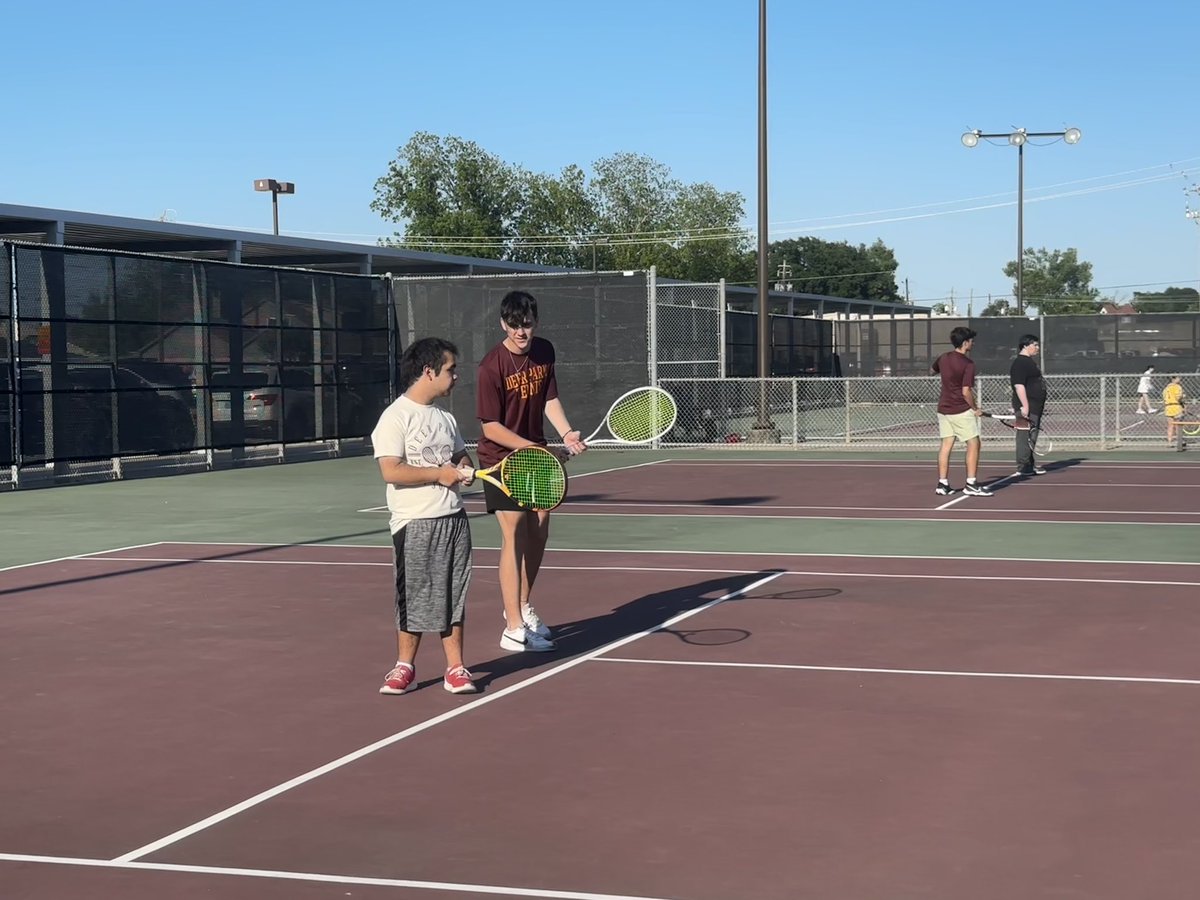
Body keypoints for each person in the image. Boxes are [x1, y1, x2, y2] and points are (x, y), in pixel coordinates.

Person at [476, 290, 587, 653]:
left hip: (534, 458)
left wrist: (566, 433)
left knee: (539, 527)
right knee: (515, 531)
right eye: (514, 326)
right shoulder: (491, 366)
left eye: (527, 325)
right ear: (502, 324)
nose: (521, 332)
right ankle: (511, 627)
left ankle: (523, 607)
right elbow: (490, 427)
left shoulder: (545, 351)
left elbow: (549, 398)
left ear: (535, 322)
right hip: (500, 460)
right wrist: (535, 449)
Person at [371, 337, 477, 696]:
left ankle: (456, 669)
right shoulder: (394, 417)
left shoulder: (446, 418)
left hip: (454, 519)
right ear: (428, 371)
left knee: (453, 594)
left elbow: (462, 457)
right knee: (414, 596)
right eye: (450, 369)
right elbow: (391, 471)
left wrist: (463, 468)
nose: (456, 376)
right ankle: (405, 667)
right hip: (414, 523)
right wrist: (438, 474)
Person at [931, 326, 992, 497]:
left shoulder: (943, 358)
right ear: (965, 343)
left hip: (943, 409)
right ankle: (971, 484)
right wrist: (975, 409)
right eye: (971, 341)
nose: (973, 343)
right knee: (974, 443)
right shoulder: (968, 364)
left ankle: (943, 484)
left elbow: (932, 371)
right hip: (960, 410)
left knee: (946, 445)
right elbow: (966, 391)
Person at [1010, 334, 1048, 477]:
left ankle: (1029, 465)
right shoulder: (1020, 363)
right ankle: (1023, 466)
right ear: (1025, 346)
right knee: (1025, 436)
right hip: (1028, 406)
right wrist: (1024, 406)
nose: (1037, 348)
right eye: (1035, 345)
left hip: (1035, 406)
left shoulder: (1029, 362)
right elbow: (1019, 385)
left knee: (1032, 435)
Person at [1162, 375, 1187, 451]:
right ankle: (1179, 441)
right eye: (1178, 378)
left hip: (1168, 407)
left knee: (1170, 425)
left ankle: (1169, 441)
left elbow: (1164, 398)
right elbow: (1179, 398)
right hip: (1176, 407)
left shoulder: (1166, 388)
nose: (1179, 379)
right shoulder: (1177, 387)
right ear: (1174, 379)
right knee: (1177, 425)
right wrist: (1183, 404)